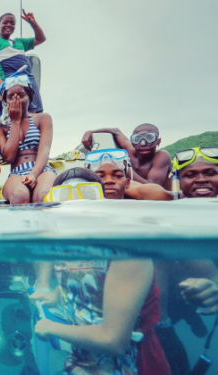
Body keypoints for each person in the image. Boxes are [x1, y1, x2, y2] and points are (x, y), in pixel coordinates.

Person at [86, 148, 218, 375]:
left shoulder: (157, 218)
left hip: (157, 331)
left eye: (117, 175)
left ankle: (189, 316)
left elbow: (208, 274)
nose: (108, 181)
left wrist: (214, 288)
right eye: (100, 176)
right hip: (100, 332)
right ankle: (189, 316)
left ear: (127, 180)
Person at [31, 169, 171, 375]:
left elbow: (113, 340)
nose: (76, 203)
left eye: (86, 194)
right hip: (82, 364)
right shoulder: (67, 248)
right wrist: (54, 297)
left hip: (134, 367)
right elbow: (86, 289)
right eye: (65, 195)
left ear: (102, 201)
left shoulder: (126, 252)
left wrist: (51, 328)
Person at [0, 75, 56, 204]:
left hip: (42, 169)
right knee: (19, 195)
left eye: (21, 96)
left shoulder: (43, 118)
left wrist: (33, 174)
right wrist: (15, 121)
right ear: (5, 101)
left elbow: (44, 151)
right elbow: (9, 158)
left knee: (43, 195)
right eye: (11, 98)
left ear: (30, 98)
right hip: (17, 172)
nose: (17, 101)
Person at [0, 11, 45, 113]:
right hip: (12, 81)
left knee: (37, 113)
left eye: (12, 23)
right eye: (5, 22)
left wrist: (33, 23)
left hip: (29, 80)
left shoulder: (19, 42)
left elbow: (41, 39)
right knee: (20, 112)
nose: (9, 25)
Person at [81, 123, 173, 189]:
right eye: (137, 139)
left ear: (159, 141)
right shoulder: (129, 151)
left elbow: (152, 187)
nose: (143, 143)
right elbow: (116, 131)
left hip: (160, 202)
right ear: (132, 142)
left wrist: (125, 168)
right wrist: (90, 132)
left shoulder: (161, 156)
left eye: (150, 138)